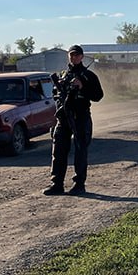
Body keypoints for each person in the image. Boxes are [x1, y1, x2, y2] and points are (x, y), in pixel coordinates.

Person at [43, 44, 103, 195]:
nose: (74, 57)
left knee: (80, 151)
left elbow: (98, 96)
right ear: (68, 56)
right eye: (71, 55)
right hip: (63, 118)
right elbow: (56, 96)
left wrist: (82, 86)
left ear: (82, 57)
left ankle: (79, 185)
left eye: (77, 55)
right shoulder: (63, 75)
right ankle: (57, 184)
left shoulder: (89, 76)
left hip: (80, 117)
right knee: (58, 152)